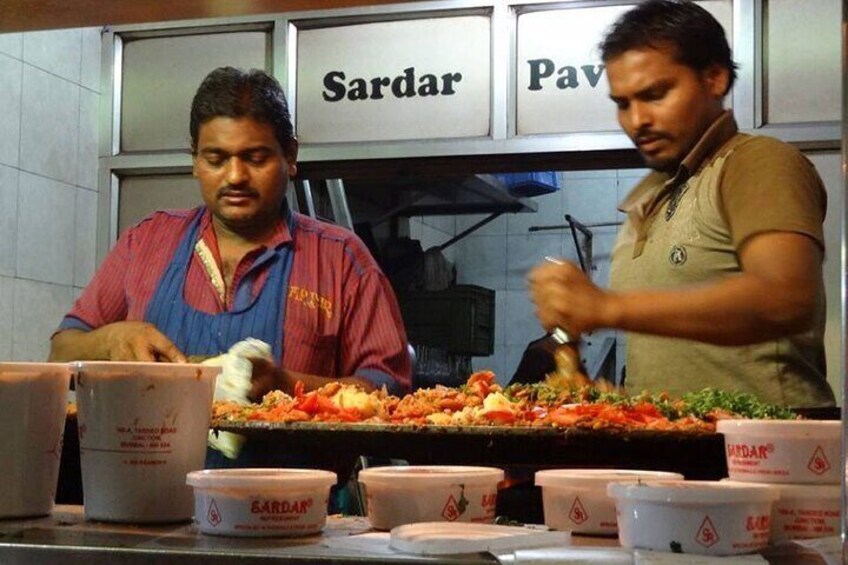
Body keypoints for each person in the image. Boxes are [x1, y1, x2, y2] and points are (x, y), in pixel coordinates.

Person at [528, 0, 834, 407]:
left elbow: (787, 298)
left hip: (764, 454)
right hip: (676, 450)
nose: (637, 121)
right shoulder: (650, 194)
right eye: (623, 103)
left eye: (655, 94)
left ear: (715, 77)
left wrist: (606, 306)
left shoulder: (755, 162)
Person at [50, 66, 412, 408]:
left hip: (293, 475)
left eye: (255, 158)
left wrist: (286, 386)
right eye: (216, 159)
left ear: (290, 155)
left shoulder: (341, 260)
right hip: (150, 473)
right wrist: (110, 342)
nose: (235, 176)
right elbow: (60, 355)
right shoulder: (145, 243)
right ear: (194, 160)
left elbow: (388, 391)